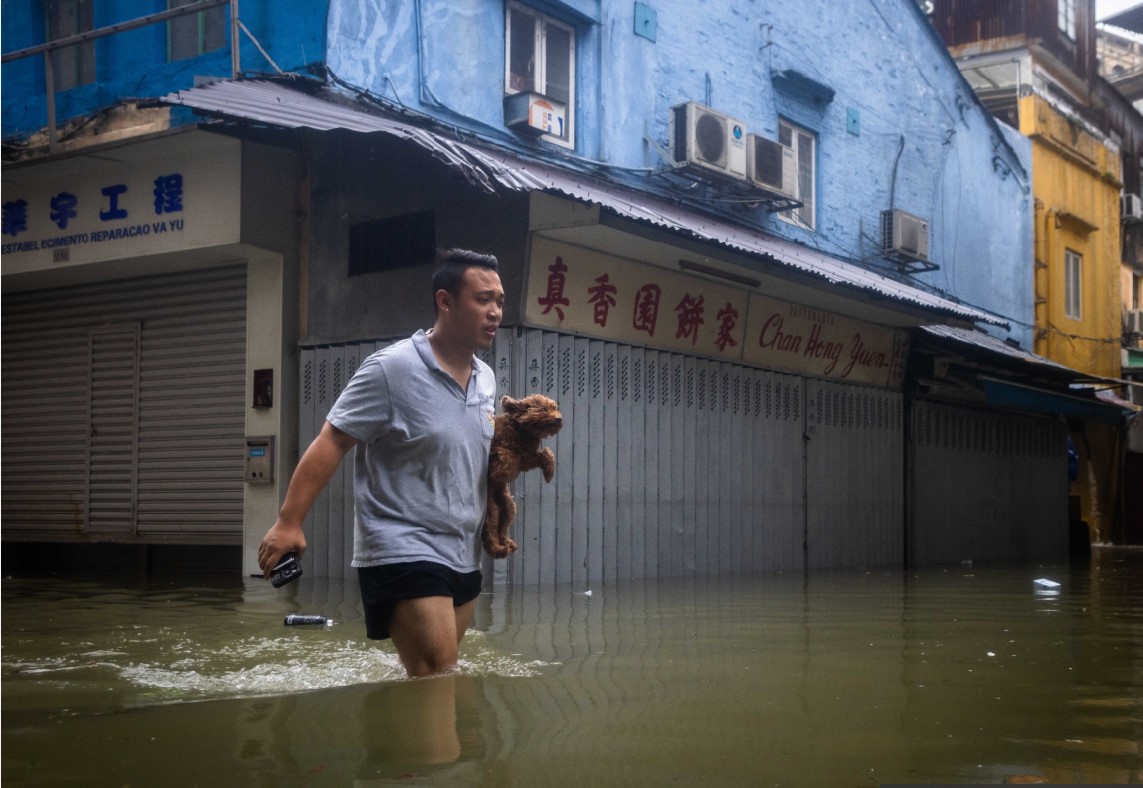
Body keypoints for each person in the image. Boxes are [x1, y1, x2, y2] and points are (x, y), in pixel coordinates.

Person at [258, 248, 504, 677]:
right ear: (445, 301)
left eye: (499, 301)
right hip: (402, 546)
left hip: (463, 554)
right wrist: (288, 521)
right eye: (483, 299)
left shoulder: (486, 377)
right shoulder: (392, 369)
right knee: (439, 675)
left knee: (429, 676)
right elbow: (332, 440)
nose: (495, 311)